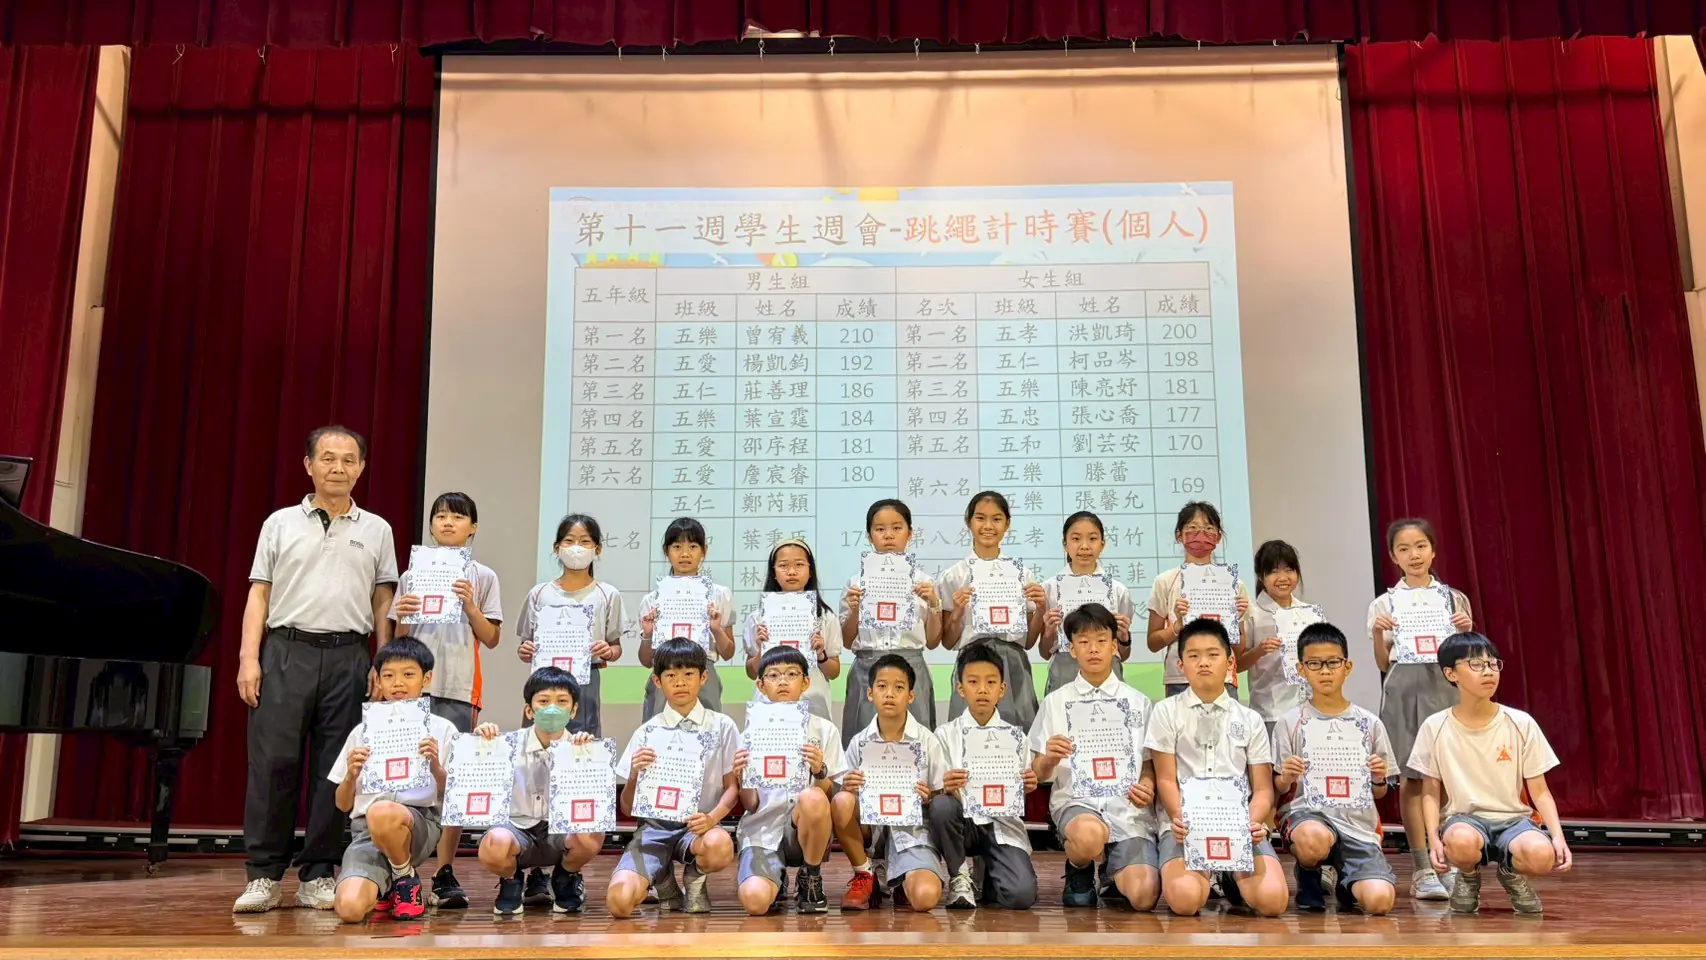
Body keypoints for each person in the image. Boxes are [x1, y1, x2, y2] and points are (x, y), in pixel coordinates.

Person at [234, 424, 399, 914]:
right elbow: (259, 593)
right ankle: (264, 875)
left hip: (350, 656)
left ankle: (319, 872)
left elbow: (382, 599)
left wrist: (382, 661)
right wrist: (248, 658)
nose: (338, 468)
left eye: (349, 460)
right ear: (308, 465)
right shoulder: (280, 523)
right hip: (286, 651)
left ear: (361, 468)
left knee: (337, 768)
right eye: (328, 458)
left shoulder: (377, 529)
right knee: (273, 764)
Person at [389, 491, 503, 909]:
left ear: (473, 528)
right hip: (413, 690)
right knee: (406, 778)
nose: (448, 522)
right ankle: (402, 871)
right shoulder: (412, 574)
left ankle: (444, 871)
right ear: (431, 526)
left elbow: (492, 637)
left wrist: (470, 606)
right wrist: (404, 615)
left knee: (451, 782)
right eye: (440, 516)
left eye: (458, 517)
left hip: (460, 688)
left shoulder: (483, 576)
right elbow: (398, 641)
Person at [1412, 632, 1571, 914]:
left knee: (1541, 856)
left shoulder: (1520, 722)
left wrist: (1558, 836)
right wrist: (1433, 840)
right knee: (1461, 842)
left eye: (1493, 664)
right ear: (1450, 674)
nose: (1488, 671)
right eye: (1476, 664)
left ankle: (1511, 873)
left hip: (1514, 821)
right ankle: (1468, 876)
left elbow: (1540, 791)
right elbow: (1430, 792)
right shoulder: (1434, 726)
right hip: (1464, 820)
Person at [1147, 618, 1287, 917]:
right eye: (1193, 655)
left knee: (1273, 901)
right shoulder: (1165, 711)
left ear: (1230, 662)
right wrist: (1180, 819)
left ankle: (1229, 875)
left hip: (1238, 825)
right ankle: (1206, 871)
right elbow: (1166, 780)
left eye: (1213, 654)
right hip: (1185, 826)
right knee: (1186, 901)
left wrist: (1249, 823)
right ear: (1180, 665)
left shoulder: (1250, 719)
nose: (1203, 663)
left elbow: (1263, 789)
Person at [1367, 517, 1474, 901]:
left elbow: (1467, 658)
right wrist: (1378, 631)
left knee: (1446, 778)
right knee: (1413, 780)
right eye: (1404, 549)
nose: (1413, 555)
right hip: (1404, 689)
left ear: (1433, 550)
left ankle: (1451, 862)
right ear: (1393, 557)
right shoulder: (1384, 603)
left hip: (1445, 688)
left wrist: (1465, 631)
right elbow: (1383, 663)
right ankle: (1423, 868)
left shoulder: (1454, 599)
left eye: (1420, 546)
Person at [1029, 603, 1159, 910]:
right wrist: (1049, 758)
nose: (1093, 649)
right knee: (1088, 837)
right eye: (1084, 642)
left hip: (1128, 809)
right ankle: (1080, 868)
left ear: (1114, 646)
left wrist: (1148, 786)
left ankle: (1113, 871)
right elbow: (1038, 773)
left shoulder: (1138, 702)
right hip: (1079, 803)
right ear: (1072, 650)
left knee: (1143, 897)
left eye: (1101, 641)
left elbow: (1149, 764)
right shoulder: (1056, 702)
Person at [1271, 622, 1399, 914]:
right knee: (1313, 840)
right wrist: (1286, 777)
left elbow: (1379, 793)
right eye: (1314, 664)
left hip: (1358, 825)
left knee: (1380, 902)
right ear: (1301, 669)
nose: (1325, 671)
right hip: (1309, 818)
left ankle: (1347, 883)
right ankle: (1309, 874)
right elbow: (1278, 788)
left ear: (1347, 666)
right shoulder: (1289, 722)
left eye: (1332, 663)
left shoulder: (1369, 723)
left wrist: (1378, 779)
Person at [608, 638, 740, 918]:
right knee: (619, 903)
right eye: (670, 676)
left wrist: (712, 818)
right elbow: (627, 808)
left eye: (688, 674)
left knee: (720, 846)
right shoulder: (647, 732)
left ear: (703, 677)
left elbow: (732, 788)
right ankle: (664, 880)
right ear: (657, 681)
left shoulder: (722, 726)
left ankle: (695, 876)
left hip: (698, 827)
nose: (680, 682)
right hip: (654, 830)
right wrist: (634, 773)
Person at [471, 667, 606, 915]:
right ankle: (511, 880)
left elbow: (595, 806)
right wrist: (479, 745)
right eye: (543, 701)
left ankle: (565, 877)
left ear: (573, 710)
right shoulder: (504, 744)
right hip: (517, 830)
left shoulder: (585, 748)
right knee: (493, 843)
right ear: (529, 710)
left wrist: (587, 759)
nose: (552, 708)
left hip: (559, 834)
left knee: (593, 832)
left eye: (562, 701)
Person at [732, 645, 846, 915]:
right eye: (773, 675)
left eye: (792, 674)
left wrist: (819, 771)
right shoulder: (749, 734)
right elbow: (751, 804)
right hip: (762, 829)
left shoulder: (824, 729)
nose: (782, 681)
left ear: (805, 682)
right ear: (761, 686)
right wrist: (741, 777)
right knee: (755, 901)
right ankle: (775, 875)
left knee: (813, 796)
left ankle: (810, 875)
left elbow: (831, 795)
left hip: (804, 829)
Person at [831, 653, 949, 912]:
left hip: (912, 832)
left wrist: (929, 796)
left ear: (911, 696)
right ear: (870, 693)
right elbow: (846, 801)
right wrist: (850, 787)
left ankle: (902, 878)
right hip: (872, 830)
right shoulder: (859, 742)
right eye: (882, 686)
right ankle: (865, 873)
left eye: (899, 687)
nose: (889, 694)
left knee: (925, 898)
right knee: (841, 800)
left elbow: (941, 794)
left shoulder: (927, 741)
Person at [928, 642, 1039, 910]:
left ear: (1002, 689)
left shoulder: (1015, 738)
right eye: (973, 682)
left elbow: (1017, 793)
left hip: (1001, 824)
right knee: (941, 805)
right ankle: (960, 876)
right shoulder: (944, 735)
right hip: (962, 823)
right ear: (960, 689)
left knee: (1020, 896)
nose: (982, 689)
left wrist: (1027, 785)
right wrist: (944, 787)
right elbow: (931, 791)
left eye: (990, 682)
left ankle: (987, 874)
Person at [937, 491, 1047, 728]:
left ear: (1007, 524)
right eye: (980, 518)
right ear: (968, 521)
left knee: (1018, 733)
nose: (988, 526)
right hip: (972, 661)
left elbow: (1028, 642)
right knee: (968, 732)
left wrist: (1041, 609)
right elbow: (947, 641)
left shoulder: (1022, 574)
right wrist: (957, 612)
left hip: (1013, 663)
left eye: (996, 519)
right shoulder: (954, 576)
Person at [838, 499, 942, 741]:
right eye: (880, 529)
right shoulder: (855, 583)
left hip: (911, 669)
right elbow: (846, 641)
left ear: (910, 533)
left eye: (897, 528)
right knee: (863, 744)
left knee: (916, 743)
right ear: (869, 536)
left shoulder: (924, 582)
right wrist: (855, 609)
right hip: (867, 670)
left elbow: (934, 641)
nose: (888, 535)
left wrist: (934, 604)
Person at [515, 514, 625, 737]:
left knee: (582, 741)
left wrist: (608, 651)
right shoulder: (539, 593)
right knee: (538, 739)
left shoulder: (607, 594)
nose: (576, 547)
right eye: (569, 540)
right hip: (544, 679)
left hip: (586, 679)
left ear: (597, 549)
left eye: (585, 541)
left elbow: (616, 647)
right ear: (556, 548)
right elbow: (525, 645)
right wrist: (524, 650)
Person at [1145, 501, 1252, 699]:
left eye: (1209, 529)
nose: (1201, 535)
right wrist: (1177, 627)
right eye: (1193, 528)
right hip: (1180, 678)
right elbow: (1152, 643)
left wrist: (1235, 624)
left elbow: (1238, 651)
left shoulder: (1234, 584)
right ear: (1179, 535)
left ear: (1218, 536)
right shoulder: (1165, 581)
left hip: (1223, 678)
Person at [634, 518, 735, 721]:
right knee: (661, 732)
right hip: (665, 673)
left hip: (704, 673)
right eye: (677, 546)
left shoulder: (719, 595)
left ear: (704, 551)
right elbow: (646, 661)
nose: (685, 554)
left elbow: (728, 653)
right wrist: (648, 634)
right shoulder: (652, 600)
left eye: (693, 546)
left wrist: (716, 629)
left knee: (708, 732)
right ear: (666, 551)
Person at [742, 539, 843, 722]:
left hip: (813, 701)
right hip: (769, 704)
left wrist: (821, 655)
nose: (791, 572)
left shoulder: (825, 617)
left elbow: (834, 672)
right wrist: (760, 651)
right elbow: (751, 673)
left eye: (799, 565)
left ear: (810, 570)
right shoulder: (757, 618)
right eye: (783, 565)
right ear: (773, 572)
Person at [1040, 511, 1136, 695]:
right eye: (1076, 539)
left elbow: (1123, 654)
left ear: (1102, 544)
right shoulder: (1049, 589)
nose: (1084, 546)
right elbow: (1045, 653)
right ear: (1065, 544)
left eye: (1092, 539)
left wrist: (1124, 638)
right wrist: (1048, 632)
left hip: (1108, 673)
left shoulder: (1118, 591)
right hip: (1064, 672)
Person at [1242, 540, 1312, 734]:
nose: (1283, 577)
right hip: (1271, 712)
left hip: (1309, 708)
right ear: (1260, 575)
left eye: (1289, 570)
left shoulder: (1307, 612)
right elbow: (1236, 664)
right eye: (1274, 571)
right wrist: (1259, 651)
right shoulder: (1252, 614)